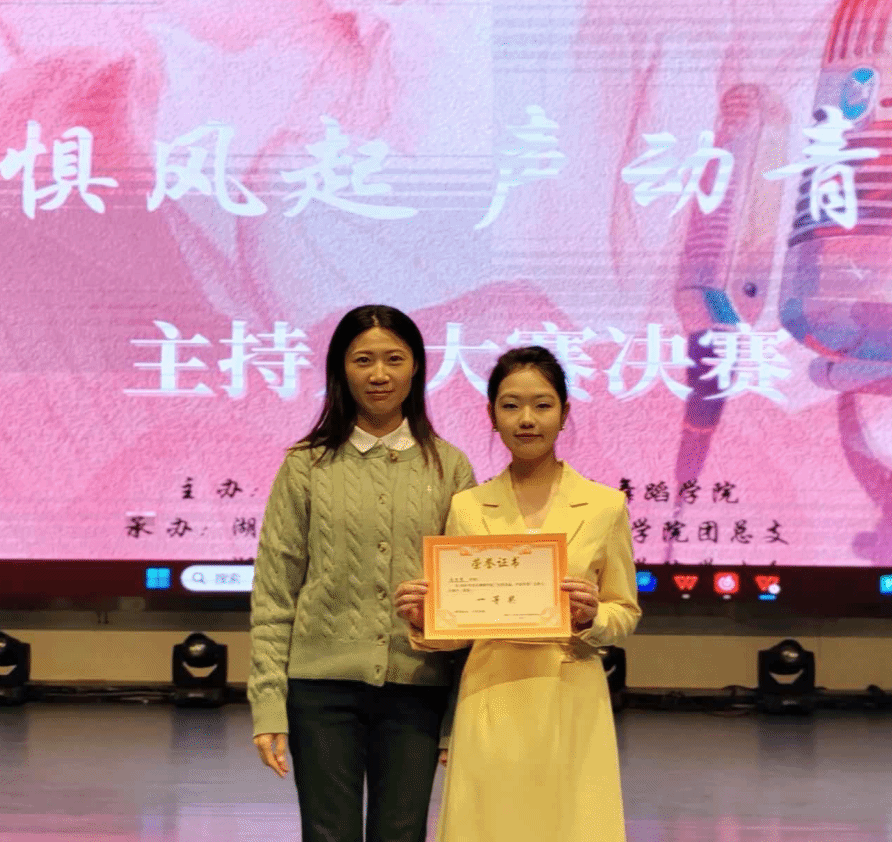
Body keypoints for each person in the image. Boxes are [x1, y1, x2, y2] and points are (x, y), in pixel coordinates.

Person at [248, 304, 477, 842]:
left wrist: (454, 718)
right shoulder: (305, 465)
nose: (379, 374)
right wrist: (268, 704)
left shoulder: (451, 467)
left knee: (403, 833)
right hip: (320, 691)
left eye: (394, 359)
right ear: (341, 369)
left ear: (417, 367)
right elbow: (275, 592)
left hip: (417, 688)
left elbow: (467, 602)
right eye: (363, 360)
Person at [395, 345, 641, 842]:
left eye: (542, 405)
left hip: (571, 696)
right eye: (511, 406)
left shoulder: (604, 506)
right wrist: (424, 620)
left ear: (564, 413)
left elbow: (624, 611)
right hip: (491, 694)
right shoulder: (468, 507)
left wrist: (592, 617)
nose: (526, 419)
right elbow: (457, 631)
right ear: (492, 415)